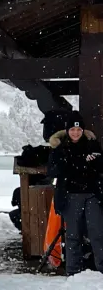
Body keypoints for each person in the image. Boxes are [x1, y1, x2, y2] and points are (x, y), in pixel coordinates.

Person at [47, 112, 103, 275]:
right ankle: (73, 271)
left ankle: (101, 268)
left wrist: (94, 161)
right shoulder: (60, 148)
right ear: (67, 130)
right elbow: (53, 171)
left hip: (92, 194)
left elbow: (100, 166)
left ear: (82, 130)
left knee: (97, 232)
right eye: (72, 129)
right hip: (70, 195)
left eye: (78, 129)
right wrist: (78, 163)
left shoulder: (92, 144)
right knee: (73, 235)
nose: (76, 133)